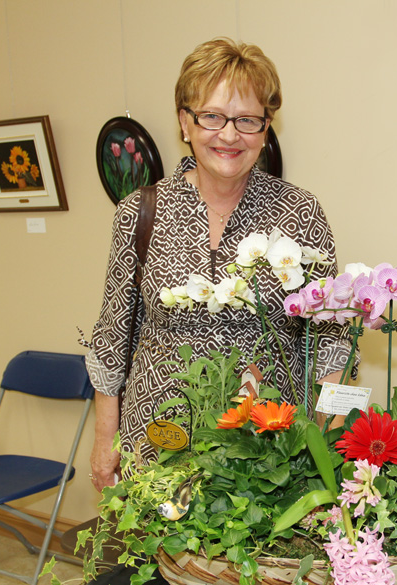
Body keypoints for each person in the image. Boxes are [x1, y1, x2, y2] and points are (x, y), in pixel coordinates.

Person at [87, 38, 355, 491]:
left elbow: (333, 340)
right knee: (159, 559)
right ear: (184, 122)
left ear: (266, 128)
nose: (229, 135)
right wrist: (102, 441)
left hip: (267, 450)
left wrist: (325, 438)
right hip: (157, 440)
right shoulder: (139, 213)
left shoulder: (301, 213)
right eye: (211, 116)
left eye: (247, 120)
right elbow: (113, 337)